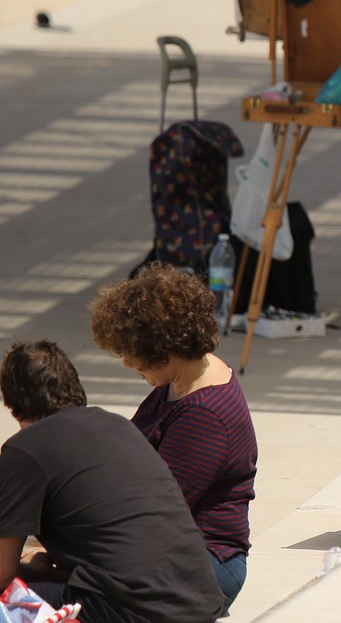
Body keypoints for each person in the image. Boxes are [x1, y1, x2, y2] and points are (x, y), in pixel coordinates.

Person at [0, 340, 223, 622]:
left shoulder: (24, 450)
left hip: (132, 609)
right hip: (198, 602)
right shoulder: (118, 426)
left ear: (13, 405)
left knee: (12, 601)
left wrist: (36, 569)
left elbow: (2, 573)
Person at [89, 264, 257, 616]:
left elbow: (155, 507)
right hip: (172, 549)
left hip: (204, 565)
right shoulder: (179, 381)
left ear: (163, 346)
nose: (128, 363)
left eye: (133, 354)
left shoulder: (204, 414)